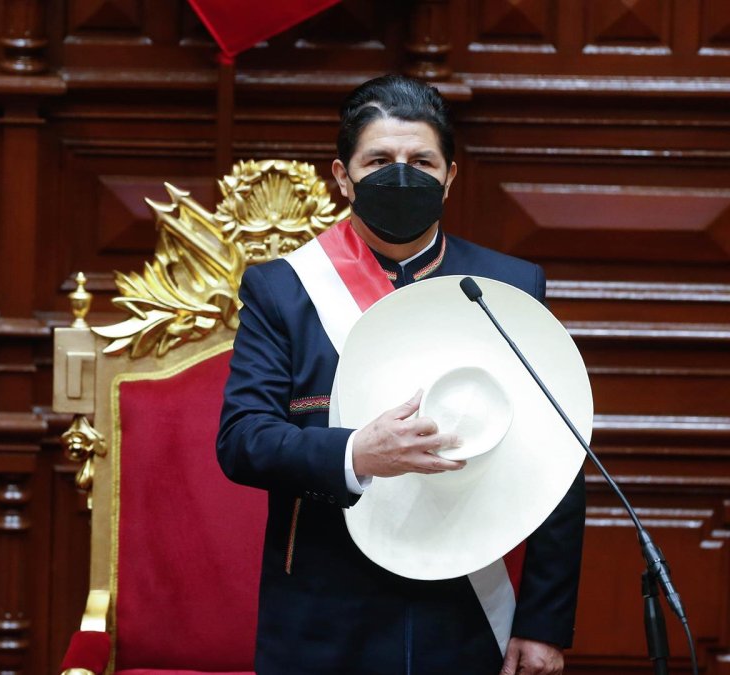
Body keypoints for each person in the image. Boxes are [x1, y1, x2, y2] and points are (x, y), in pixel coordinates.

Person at [216, 75, 585, 675]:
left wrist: (543, 622)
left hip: (466, 604)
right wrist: (357, 452)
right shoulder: (284, 290)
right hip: (326, 603)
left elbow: (556, 460)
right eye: (380, 160)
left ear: (450, 175)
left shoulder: (507, 287)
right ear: (342, 176)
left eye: (421, 160)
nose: (402, 174)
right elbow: (242, 442)